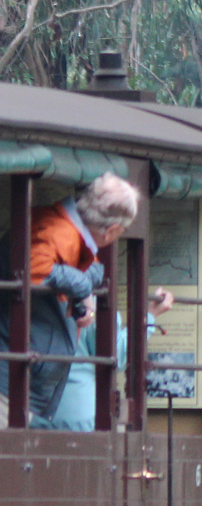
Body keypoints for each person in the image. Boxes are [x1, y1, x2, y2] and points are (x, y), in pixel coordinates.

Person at [0, 172, 139, 420]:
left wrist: (81, 289)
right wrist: (81, 288)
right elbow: (33, 268)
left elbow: (92, 267)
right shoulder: (58, 230)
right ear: (113, 230)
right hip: (10, 379)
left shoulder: (69, 232)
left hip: (25, 378)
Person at [40, 286, 172, 431]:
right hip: (82, 417)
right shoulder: (89, 299)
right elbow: (115, 356)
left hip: (30, 415)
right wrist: (150, 315)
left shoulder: (28, 296)